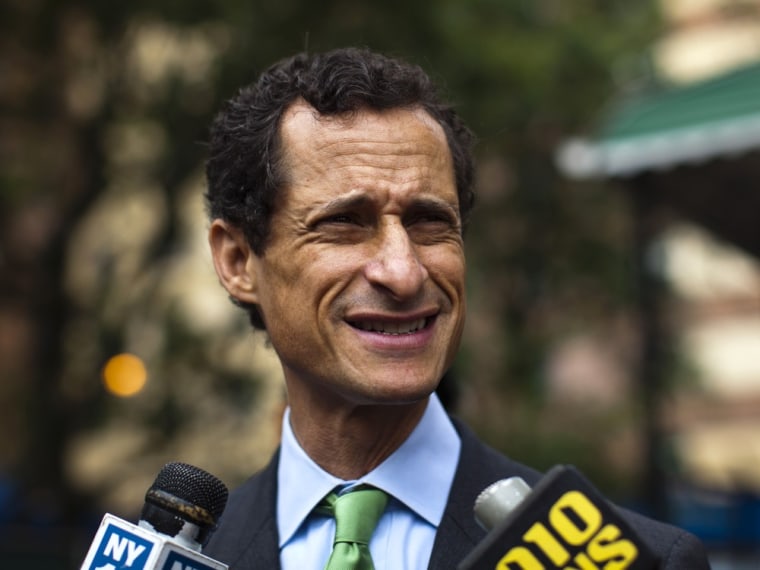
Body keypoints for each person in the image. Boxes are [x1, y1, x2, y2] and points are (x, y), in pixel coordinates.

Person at [202, 47, 710, 569]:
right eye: (345, 223)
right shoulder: (192, 558)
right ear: (239, 261)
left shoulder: (628, 560)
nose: (404, 272)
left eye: (428, 222)